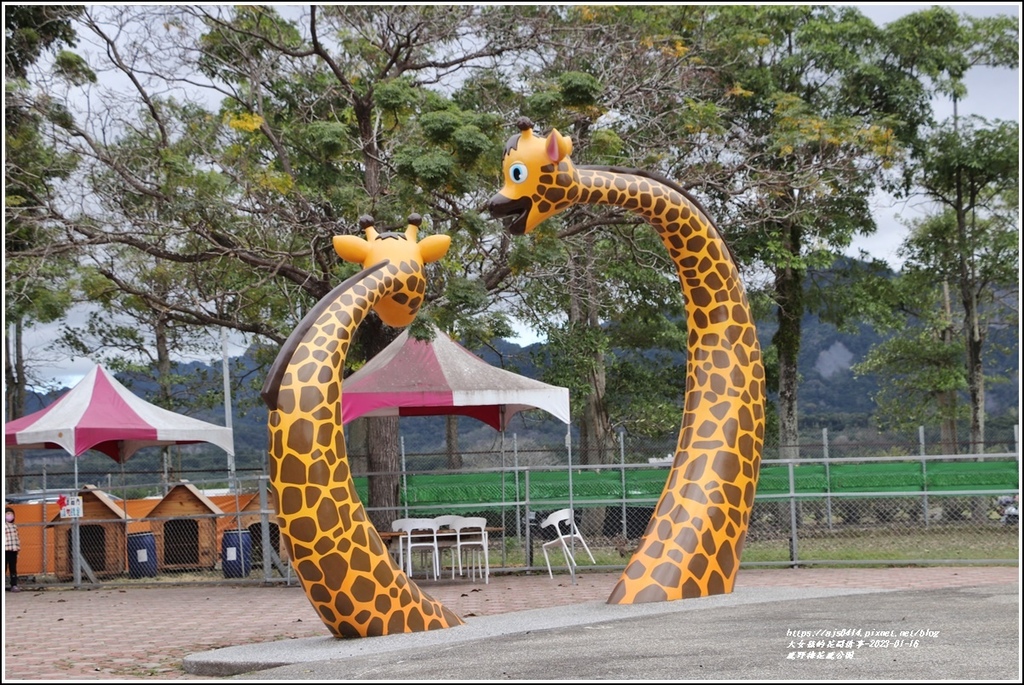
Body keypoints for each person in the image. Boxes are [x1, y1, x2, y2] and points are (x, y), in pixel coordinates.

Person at [5, 506, 21, 592]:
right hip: (5, 549)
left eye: (11, 514)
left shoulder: (15, 526)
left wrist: (18, 549)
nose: (9, 516)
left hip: (13, 550)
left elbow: (17, 538)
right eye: (7, 514)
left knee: (13, 568)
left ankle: (14, 585)